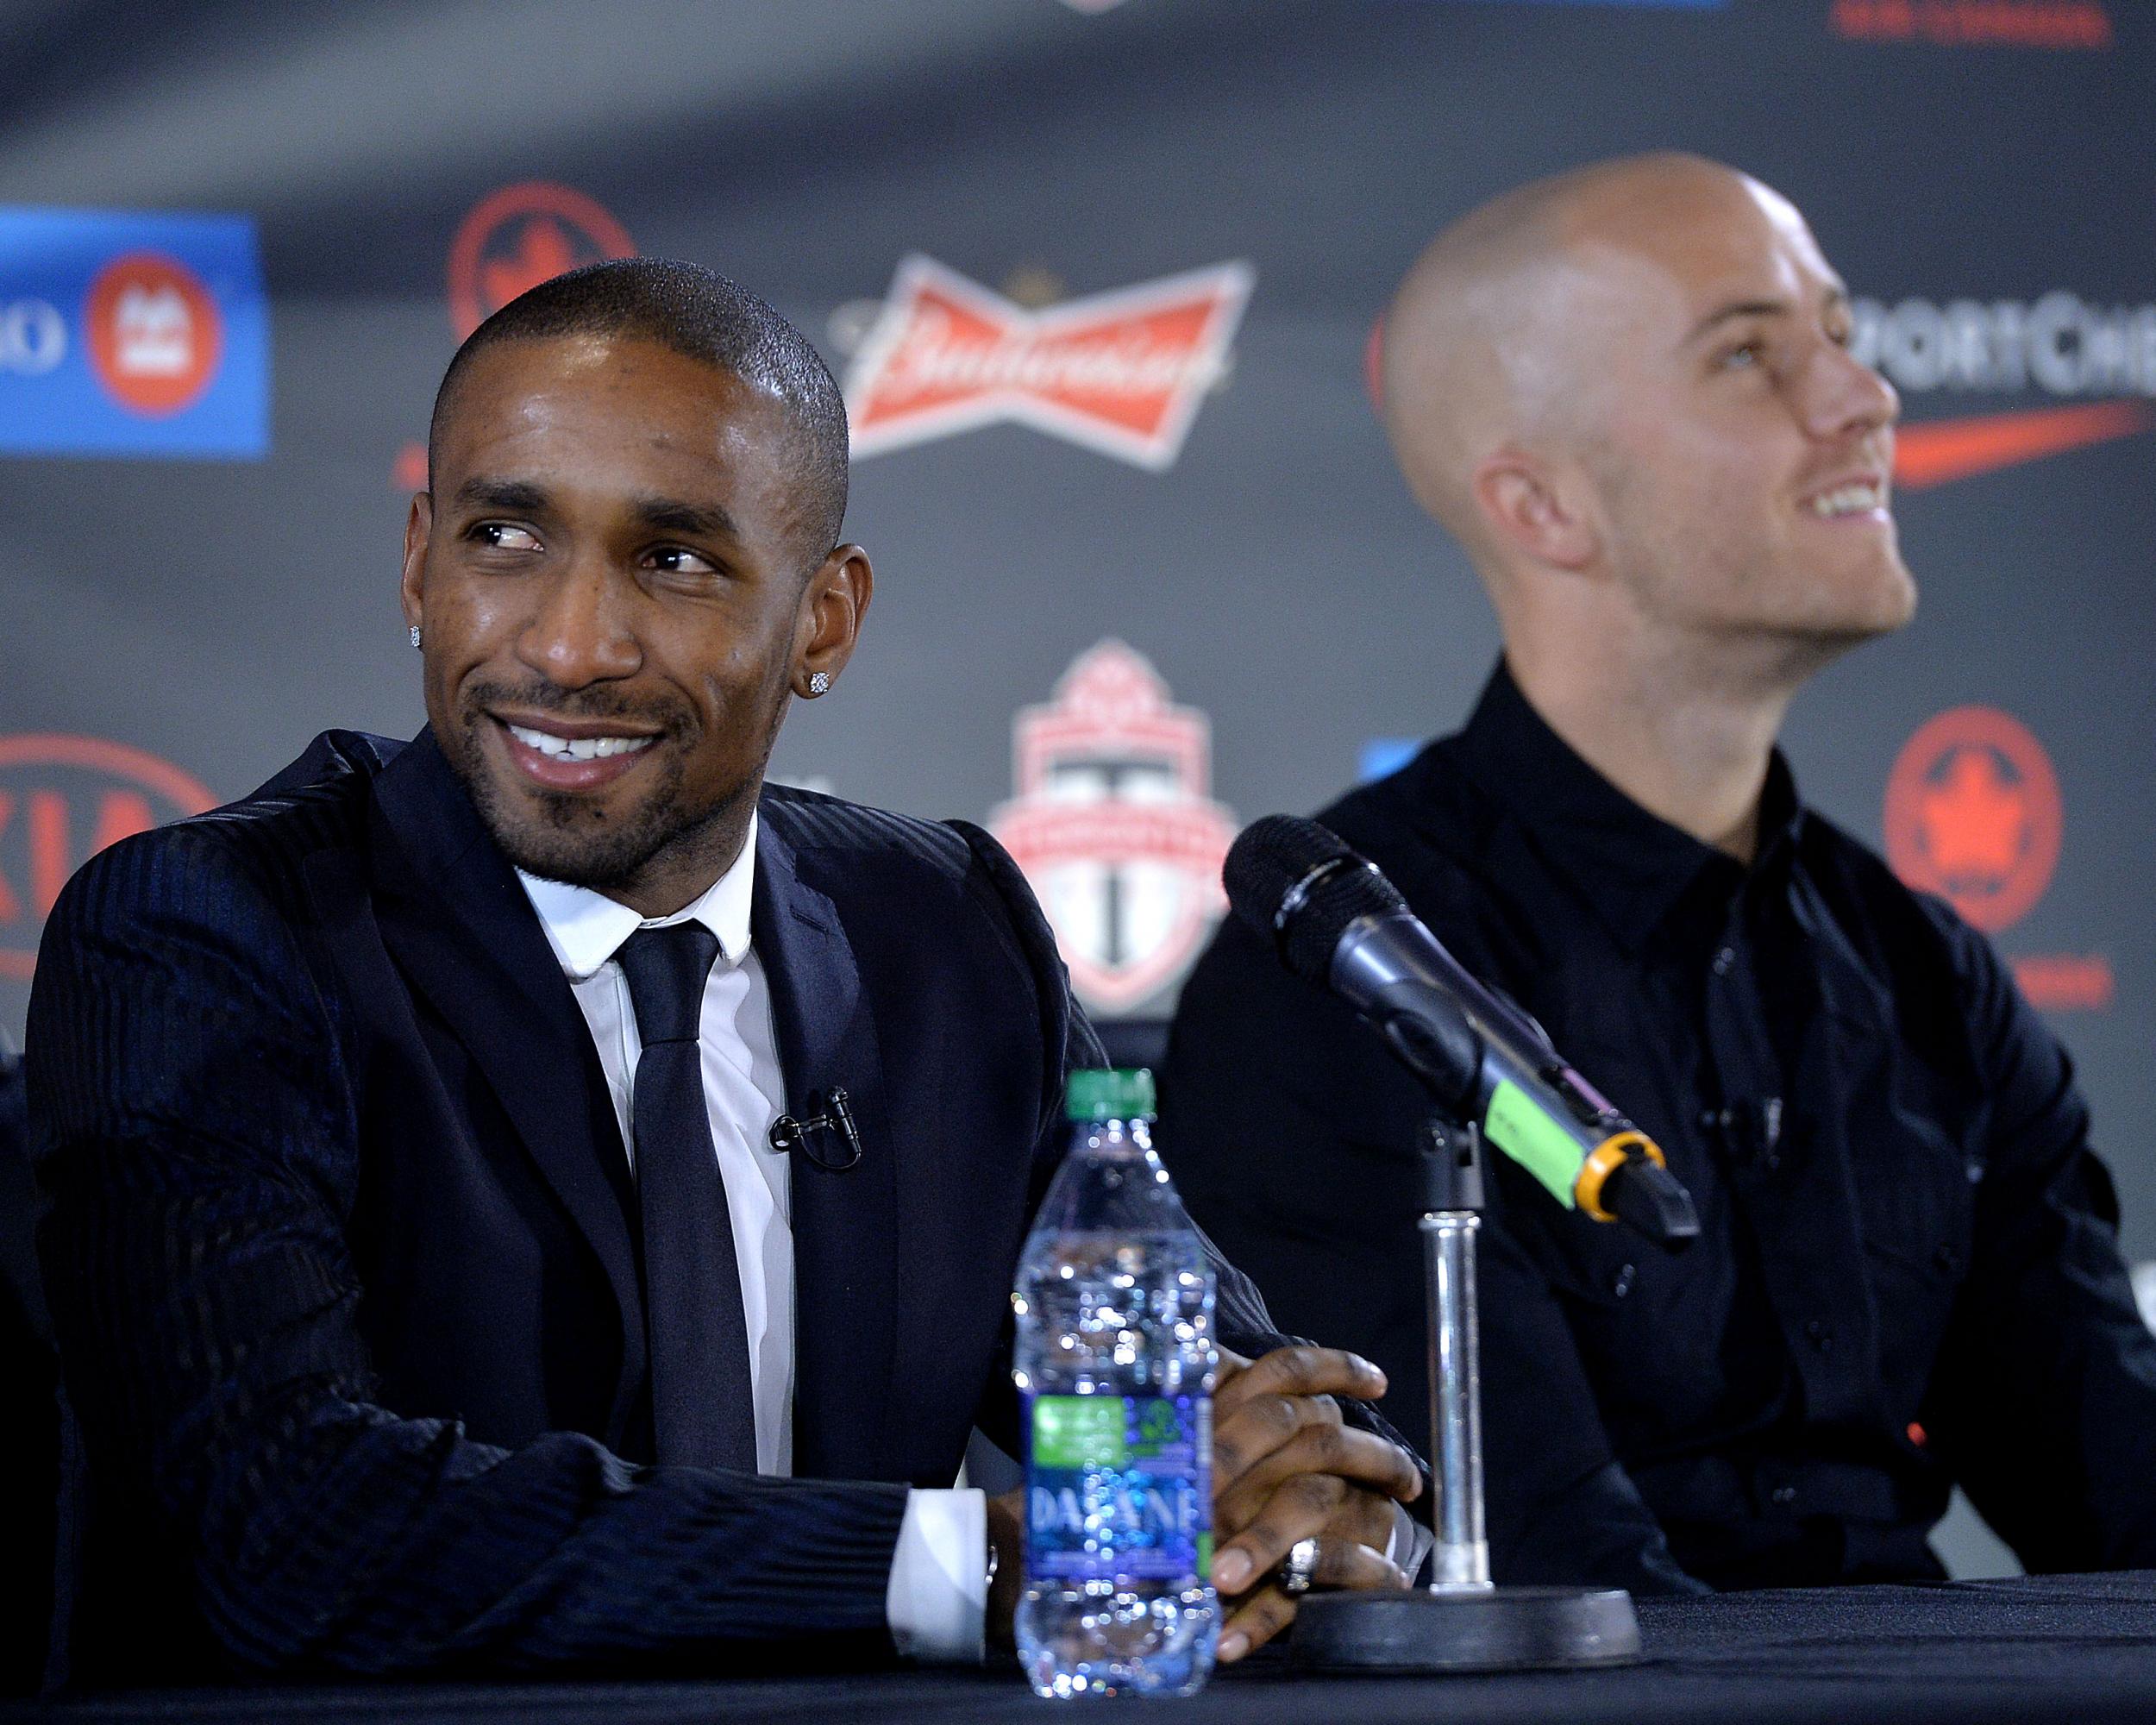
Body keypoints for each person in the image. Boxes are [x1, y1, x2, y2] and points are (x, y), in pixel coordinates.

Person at [27, 259, 1424, 1686]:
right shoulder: (205, 931)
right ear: (415, 565)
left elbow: (1236, 1419)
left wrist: (1297, 1510)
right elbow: (287, 1533)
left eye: (674, 560)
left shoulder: (946, 930)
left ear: (822, 620)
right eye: (504, 536)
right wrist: (989, 1563)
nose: (571, 646)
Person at [1161, 154, 2156, 1595]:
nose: (1864, 399)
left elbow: (2117, 1494)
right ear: (1543, 505)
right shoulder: (1331, 991)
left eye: (1843, 335)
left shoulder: (1928, 972)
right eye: (1750, 356)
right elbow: (1560, 1592)